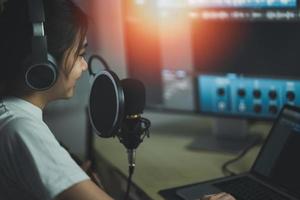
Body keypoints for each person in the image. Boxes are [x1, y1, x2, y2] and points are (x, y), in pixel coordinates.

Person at [0, 0, 236, 200]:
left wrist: (71, 179)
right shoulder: (22, 130)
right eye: (80, 54)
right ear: (44, 65)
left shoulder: (10, 115)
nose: (84, 66)